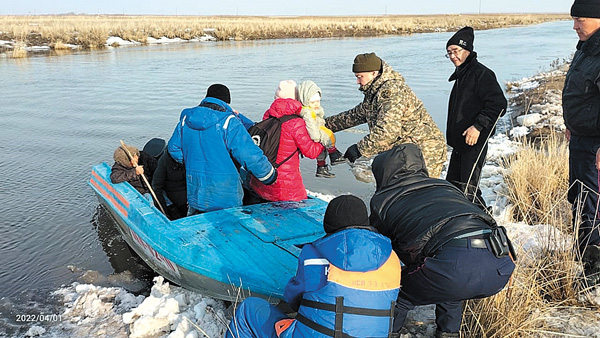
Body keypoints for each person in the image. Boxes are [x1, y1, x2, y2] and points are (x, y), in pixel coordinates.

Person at [369, 144, 515, 338]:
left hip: (454, 264)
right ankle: (448, 333)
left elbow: (375, 245)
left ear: (383, 172)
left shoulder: (384, 199)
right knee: (449, 284)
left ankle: (387, 333)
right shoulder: (445, 186)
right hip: (499, 262)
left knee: (399, 293)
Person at [225, 195, 401, 338]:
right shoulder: (392, 259)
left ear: (328, 226)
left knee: (249, 309)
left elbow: (293, 298)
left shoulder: (314, 254)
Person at [324, 52, 447, 178]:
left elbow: (387, 133)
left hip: (424, 152)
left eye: (360, 76)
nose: (357, 81)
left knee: (418, 193)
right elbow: (354, 116)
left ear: (374, 72)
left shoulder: (391, 91)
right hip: (405, 151)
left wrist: (359, 149)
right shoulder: (374, 92)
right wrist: (321, 124)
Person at [167, 84, 277, 215]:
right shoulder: (229, 122)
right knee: (229, 229)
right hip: (226, 195)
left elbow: (173, 148)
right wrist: (268, 175)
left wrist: (192, 161)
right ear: (226, 101)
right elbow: (249, 154)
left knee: (198, 227)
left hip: (196, 191)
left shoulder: (186, 120)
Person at [445, 26, 507, 211]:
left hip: (474, 143)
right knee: (453, 186)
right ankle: (464, 220)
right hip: (460, 143)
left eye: (456, 51)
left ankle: (482, 224)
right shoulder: (461, 75)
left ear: (467, 50)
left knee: (468, 189)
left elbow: (499, 104)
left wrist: (478, 127)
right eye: (449, 53)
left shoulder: (481, 74)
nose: (452, 56)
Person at [563, 0, 600, 284]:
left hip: (594, 146)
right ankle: (585, 261)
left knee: (592, 205)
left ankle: (594, 273)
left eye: (580, 20)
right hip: (580, 140)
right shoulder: (586, 48)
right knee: (578, 198)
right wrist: (571, 125)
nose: (575, 26)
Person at [249, 80, 324, 202]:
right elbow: (311, 152)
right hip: (286, 189)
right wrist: (322, 141)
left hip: (263, 181)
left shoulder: (268, 115)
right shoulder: (296, 123)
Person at [296, 80, 345, 178]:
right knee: (329, 136)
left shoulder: (314, 110)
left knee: (322, 151)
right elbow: (310, 125)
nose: (316, 104)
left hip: (318, 130)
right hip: (316, 133)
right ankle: (334, 154)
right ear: (305, 101)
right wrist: (316, 137)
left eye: (318, 101)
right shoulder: (307, 112)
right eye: (313, 102)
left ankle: (321, 167)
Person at [151, 150, 187, 220]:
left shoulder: (191, 157)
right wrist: (163, 210)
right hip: (175, 193)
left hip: (190, 193)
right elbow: (156, 186)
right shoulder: (164, 162)